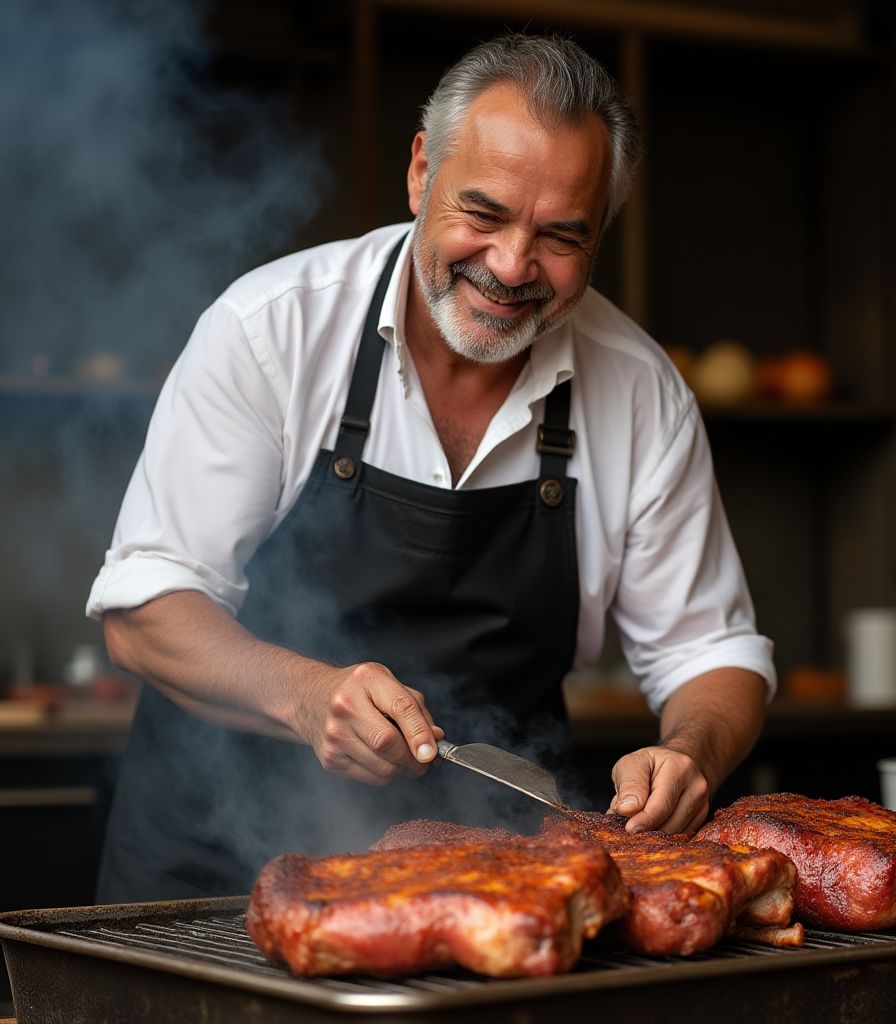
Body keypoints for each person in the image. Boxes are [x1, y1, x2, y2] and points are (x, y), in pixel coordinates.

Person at [87, 32, 775, 902]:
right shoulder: (272, 331)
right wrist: (306, 695)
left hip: (488, 880)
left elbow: (713, 653)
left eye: (562, 236)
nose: (513, 266)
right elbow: (144, 610)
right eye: (482, 214)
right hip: (212, 865)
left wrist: (687, 752)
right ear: (422, 172)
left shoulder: (639, 391)